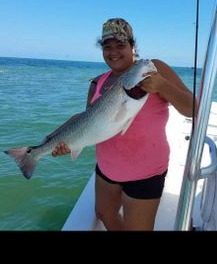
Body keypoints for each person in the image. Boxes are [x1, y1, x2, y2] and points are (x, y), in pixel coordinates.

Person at [52, 18, 195, 230]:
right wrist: (66, 142)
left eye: (121, 45)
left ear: (133, 46)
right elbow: (87, 122)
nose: (114, 52)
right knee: (104, 213)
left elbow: (193, 109)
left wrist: (163, 85)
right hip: (107, 169)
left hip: (146, 172)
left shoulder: (154, 69)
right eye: (107, 47)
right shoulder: (97, 82)